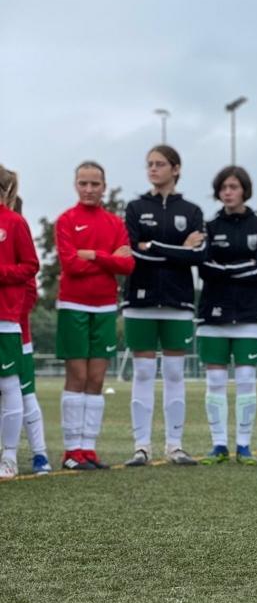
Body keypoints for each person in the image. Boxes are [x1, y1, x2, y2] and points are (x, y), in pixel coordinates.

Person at [123, 146, 205, 467]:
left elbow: (199, 256)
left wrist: (153, 246)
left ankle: (175, 446)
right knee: (142, 371)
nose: (153, 169)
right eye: (149, 165)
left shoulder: (193, 211)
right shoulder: (134, 207)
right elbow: (131, 253)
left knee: (173, 372)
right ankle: (141, 447)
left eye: (159, 164)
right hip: (139, 301)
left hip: (178, 302)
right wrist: (177, 249)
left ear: (176, 168)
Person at [54, 162, 134, 471]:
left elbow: (127, 267)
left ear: (104, 186)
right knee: (78, 377)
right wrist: (109, 260)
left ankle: (88, 448)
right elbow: (70, 265)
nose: (89, 189)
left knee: (97, 379)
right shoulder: (65, 220)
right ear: (76, 185)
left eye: (95, 184)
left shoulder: (114, 223)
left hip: (104, 307)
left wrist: (93, 255)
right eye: (83, 183)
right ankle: (71, 451)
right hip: (73, 305)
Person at [196, 165, 257, 466]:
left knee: (245, 380)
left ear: (244, 190)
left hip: (249, 316)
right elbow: (203, 268)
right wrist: (242, 266)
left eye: (233, 187)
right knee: (214, 382)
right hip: (213, 315)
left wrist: (223, 270)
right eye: (223, 187)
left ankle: (243, 446)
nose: (228, 192)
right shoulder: (207, 227)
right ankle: (219, 445)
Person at [0, 166, 39, 480]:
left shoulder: (14, 222)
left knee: (9, 384)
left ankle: (9, 457)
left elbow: (31, 266)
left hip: (5, 320)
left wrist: (2, 274)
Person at [13, 197, 52, 473]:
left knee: (25, 394)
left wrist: (10, 314)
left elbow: (29, 294)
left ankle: (39, 454)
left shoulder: (17, 233)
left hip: (16, 335)